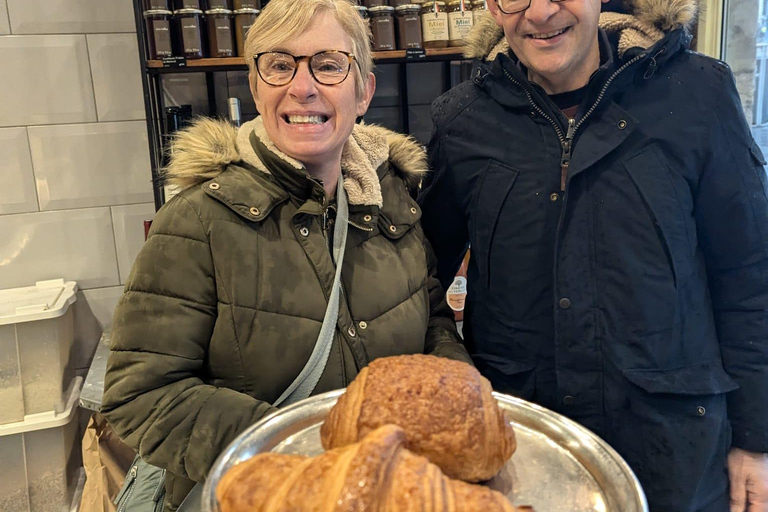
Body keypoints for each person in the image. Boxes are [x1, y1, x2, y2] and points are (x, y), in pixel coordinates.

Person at [101, 0, 469, 509]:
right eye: (279, 64)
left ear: (363, 90)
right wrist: (309, 455)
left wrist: (458, 396)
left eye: (328, 64)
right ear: (255, 87)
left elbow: (432, 323)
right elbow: (140, 395)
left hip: (388, 490)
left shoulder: (395, 202)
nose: (302, 86)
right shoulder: (197, 222)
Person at [418, 0, 768, 510]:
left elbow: (749, 275)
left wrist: (755, 437)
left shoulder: (698, 93)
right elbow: (422, 279)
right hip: (524, 452)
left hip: (674, 453)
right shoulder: (462, 121)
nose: (539, 13)